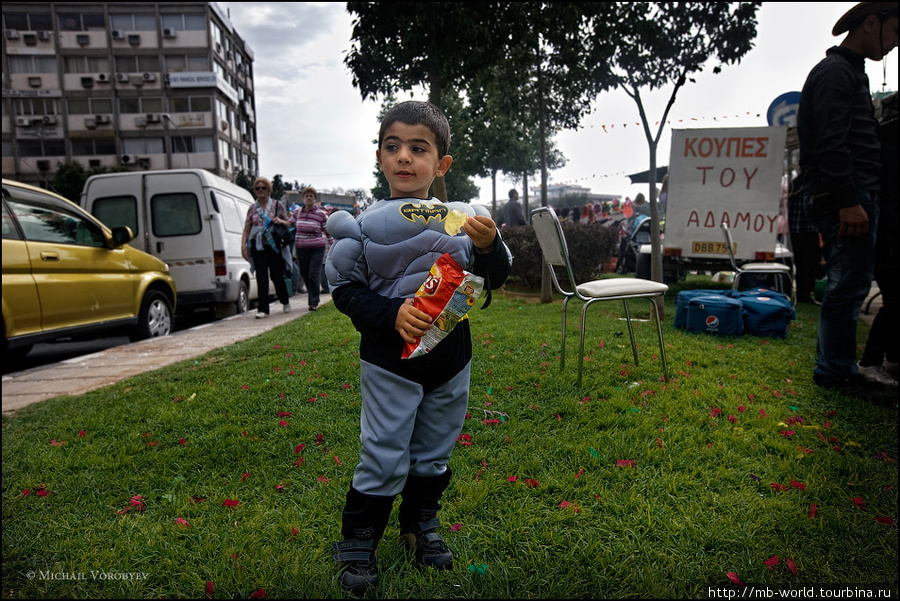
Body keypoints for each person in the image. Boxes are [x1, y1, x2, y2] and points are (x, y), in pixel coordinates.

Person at [325, 100, 511, 595]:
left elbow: (494, 277)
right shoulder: (360, 228)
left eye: (418, 148)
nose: (404, 157)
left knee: (433, 451)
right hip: (389, 360)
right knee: (384, 450)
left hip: (451, 357)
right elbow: (345, 291)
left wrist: (491, 246)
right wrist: (391, 315)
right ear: (380, 158)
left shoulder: (467, 221)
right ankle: (359, 539)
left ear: (442, 164)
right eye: (393, 147)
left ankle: (420, 525)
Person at [797, 1, 898, 400]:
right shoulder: (836, 72)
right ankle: (835, 371)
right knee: (848, 285)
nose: (894, 44)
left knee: (850, 283)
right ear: (871, 23)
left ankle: (835, 367)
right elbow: (831, 143)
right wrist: (847, 200)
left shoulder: (852, 74)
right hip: (845, 197)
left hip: (855, 194)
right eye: (894, 32)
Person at [858, 90, 899, 386]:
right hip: (889, 230)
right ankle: (873, 360)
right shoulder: (888, 145)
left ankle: (891, 357)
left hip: (883, 229)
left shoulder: (878, 140)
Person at [241, 177, 292, 318]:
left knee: (276, 276)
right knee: (261, 277)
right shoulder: (252, 208)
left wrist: (279, 220)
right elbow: (247, 228)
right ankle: (263, 309)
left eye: (263, 188)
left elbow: (288, 224)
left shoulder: (277, 205)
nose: (261, 190)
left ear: (268, 190)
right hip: (257, 246)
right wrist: (243, 245)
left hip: (274, 245)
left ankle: (285, 300)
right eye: (258, 188)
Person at [289, 186, 330, 312]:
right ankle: (312, 296)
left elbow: (327, 232)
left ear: (315, 198)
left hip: (317, 248)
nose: (309, 198)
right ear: (303, 198)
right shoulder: (298, 213)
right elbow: (289, 224)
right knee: (305, 274)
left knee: (313, 274)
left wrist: (334, 244)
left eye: (311, 196)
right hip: (301, 248)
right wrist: (278, 221)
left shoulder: (320, 214)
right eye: (306, 196)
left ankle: (313, 302)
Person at [787, 174, 824, 304]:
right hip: (808, 228)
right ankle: (804, 292)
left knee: (796, 263)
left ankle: (791, 291)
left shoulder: (794, 184)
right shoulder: (812, 183)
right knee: (806, 264)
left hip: (795, 229)